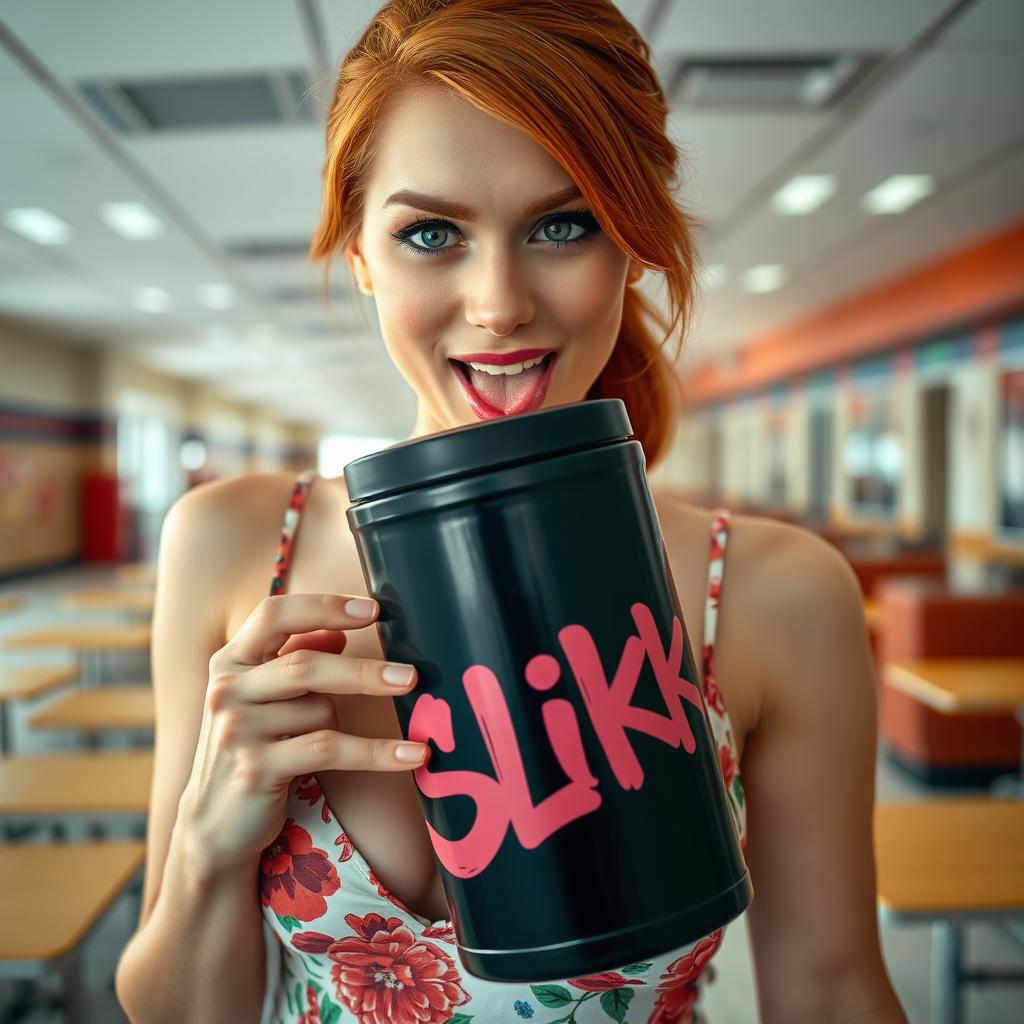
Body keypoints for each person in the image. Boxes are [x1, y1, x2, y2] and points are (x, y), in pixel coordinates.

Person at [115, 2, 908, 1022]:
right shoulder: (228, 547)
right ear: (360, 252)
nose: (497, 302)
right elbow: (180, 1011)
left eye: (561, 225)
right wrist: (206, 845)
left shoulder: (773, 594)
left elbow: (833, 989)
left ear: (635, 241)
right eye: (430, 233)